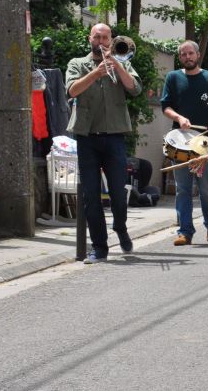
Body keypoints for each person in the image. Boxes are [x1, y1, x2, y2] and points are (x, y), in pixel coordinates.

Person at [65, 23, 142, 264]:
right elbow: (72, 90)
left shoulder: (123, 61)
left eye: (105, 37)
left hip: (114, 136)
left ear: (111, 40)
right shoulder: (77, 63)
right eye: (96, 37)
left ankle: (121, 228)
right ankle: (99, 248)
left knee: (119, 193)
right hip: (87, 136)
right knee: (90, 196)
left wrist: (117, 65)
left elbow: (135, 89)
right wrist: (96, 73)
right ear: (90, 38)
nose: (100, 41)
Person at [160, 40, 208, 246]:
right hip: (180, 140)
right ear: (180, 57)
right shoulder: (173, 77)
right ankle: (185, 232)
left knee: (206, 187)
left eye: (191, 53)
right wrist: (179, 118)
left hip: (205, 141)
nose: (187, 57)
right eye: (183, 54)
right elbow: (165, 106)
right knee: (183, 188)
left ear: (197, 55)